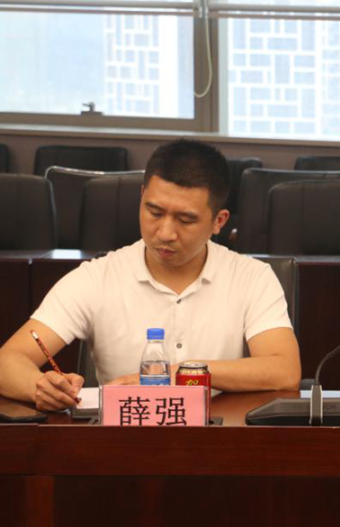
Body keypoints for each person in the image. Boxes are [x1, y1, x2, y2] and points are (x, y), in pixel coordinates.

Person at [0, 139, 300, 411]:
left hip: (217, 439)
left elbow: (284, 370)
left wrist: (180, 374)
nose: (165, 233)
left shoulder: (251, 277)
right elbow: (7, 361)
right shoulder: (96, 278)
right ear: (142, 196)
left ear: (218, 221)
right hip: (122, 443)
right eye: (154, 212)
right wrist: (38, 386)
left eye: (186, 220)